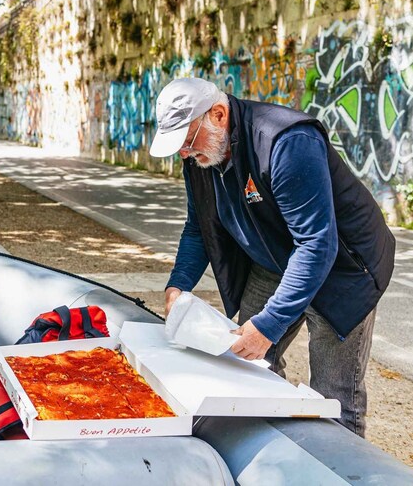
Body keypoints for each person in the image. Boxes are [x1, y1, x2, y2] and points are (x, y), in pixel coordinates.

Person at [150, 77, 395, 437]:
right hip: (274, 260)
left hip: (343, 270)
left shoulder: (286, 142)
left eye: (187, 141)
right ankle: (274, 456)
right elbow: (198, 227)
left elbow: (316, 244)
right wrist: (179, 284)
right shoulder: (201, 156)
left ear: (218, 114)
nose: (184, 154)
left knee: (334, 396)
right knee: (245, 365)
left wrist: (269, 325)